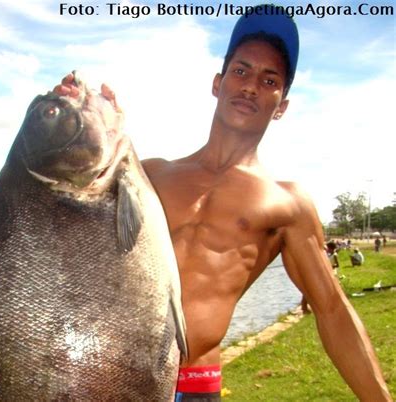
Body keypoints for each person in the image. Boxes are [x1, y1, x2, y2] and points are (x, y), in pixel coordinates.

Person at [54, 4, 391, 401]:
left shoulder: (286, 204)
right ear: (218, 83)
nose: (251, 85)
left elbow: (332, 310)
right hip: (108, 377)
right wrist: (72, 121)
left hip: (194, 387)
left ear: (281, 106)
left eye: (270, 81)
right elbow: (60, 218)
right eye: (241, 70)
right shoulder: (148, 176)